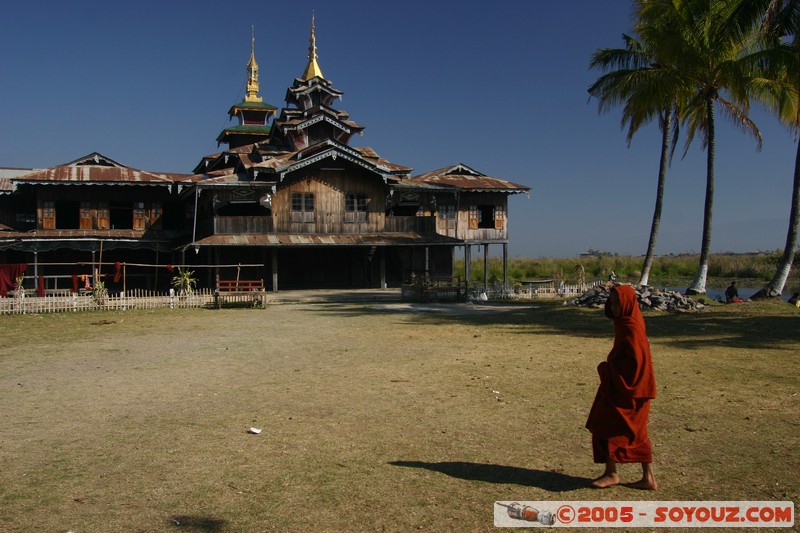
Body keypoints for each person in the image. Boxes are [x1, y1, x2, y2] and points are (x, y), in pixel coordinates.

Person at [586, 285, 657, 490]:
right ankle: (636, 475)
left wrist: (610, 369)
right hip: (623, 386)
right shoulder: (625, 323)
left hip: (631, 388)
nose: (614, 307)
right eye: (612, 302)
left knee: (615, 426)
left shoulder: (631, 327)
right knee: (619, 426)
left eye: (618, 303)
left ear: (628, 303)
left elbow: (636, 363)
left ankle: (616, 473)